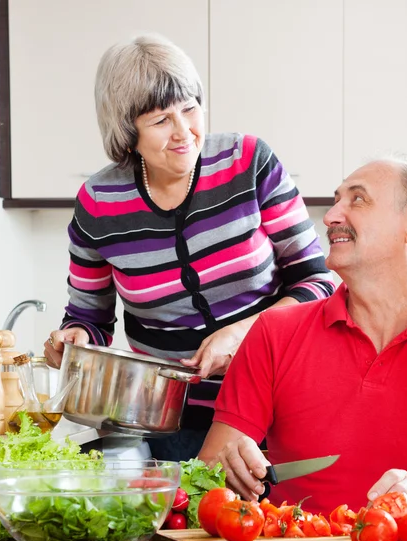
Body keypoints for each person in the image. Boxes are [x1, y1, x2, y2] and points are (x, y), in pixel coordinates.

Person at [43, 34, 335, 460]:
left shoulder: (249, 163)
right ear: (128, 132)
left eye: (190, 109)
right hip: (168, 418)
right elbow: (90, 317)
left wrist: (241, 334)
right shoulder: (99, 204)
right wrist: (74, 340)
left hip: (280, 402)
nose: (184, 133)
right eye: (161, 121)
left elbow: (317, 284)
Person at [198, 156, 407, 515]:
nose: (331, 215)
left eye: (357, 199)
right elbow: (207, 478)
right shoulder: (273, 333)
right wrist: (230, 469)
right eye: (337, 200)